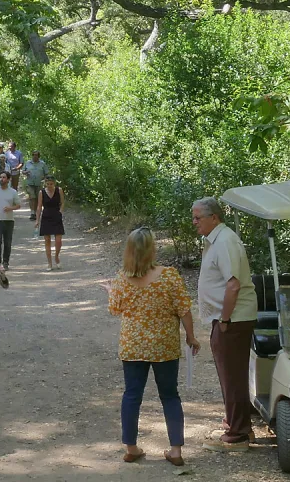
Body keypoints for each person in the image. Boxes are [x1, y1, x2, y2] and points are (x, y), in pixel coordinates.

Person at [103, 227, 199, 465]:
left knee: (132, 395)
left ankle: (131, 447)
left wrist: (111, 291)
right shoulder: (169, 276)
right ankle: (175, 450)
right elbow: (184, 309)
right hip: (164, 346)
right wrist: (191, 336)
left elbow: (115, 309)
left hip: (133, 346)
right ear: (152, 249)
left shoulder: (122, 278)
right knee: (170, 395)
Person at [193, 196, 260, 448]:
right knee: (231, 375)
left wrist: (225, 319)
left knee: (232, 376)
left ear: (214, 217)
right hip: (229, 318)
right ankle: (240, 425)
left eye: (198, 217)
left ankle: (237, 434)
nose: (194, 222)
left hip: (233, 319)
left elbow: (233, 285)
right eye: (193, 217)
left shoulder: (225, 241)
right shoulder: (217, 239)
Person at [35, 175, 65, 269]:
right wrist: (37, 220)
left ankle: (56, 257)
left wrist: (60, 212)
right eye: (47, 184)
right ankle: (49, 263)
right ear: (45, 184)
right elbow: (39, 206)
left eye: (51, 184)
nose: (49, 186)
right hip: (46, 217)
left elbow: (62, 203)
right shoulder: (42, 192)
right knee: (47, 240)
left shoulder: (59, 190)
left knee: (58, 240)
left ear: (54, 183)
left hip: (56, 215)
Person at [23, 152, 49, 221]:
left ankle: (36, 212)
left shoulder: (42, 164)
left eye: (36, 155)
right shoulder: (28, 163)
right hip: (30, 183)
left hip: (39, 183)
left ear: (38, 156)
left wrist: (45, 180)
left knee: (38, 198)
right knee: (32, 197)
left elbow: (46, 173)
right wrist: (26, 172)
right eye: (33, 155)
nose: (35, 156)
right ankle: (32, 213)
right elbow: (23, 171)